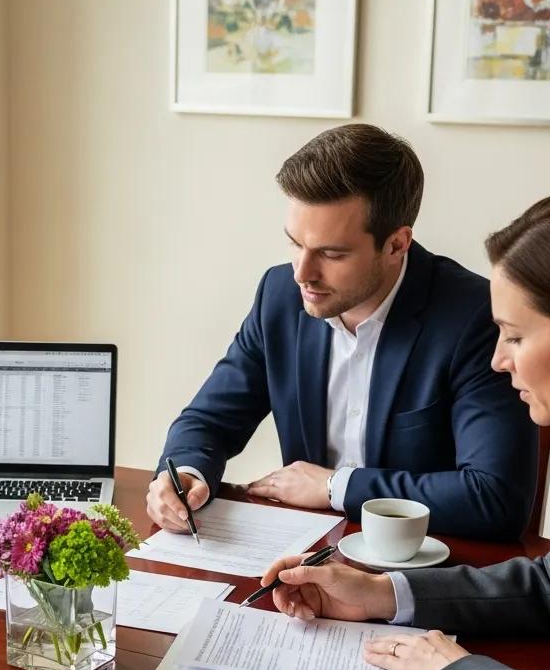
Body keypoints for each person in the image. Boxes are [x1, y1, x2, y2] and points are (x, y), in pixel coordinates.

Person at [259, 195, 550, 670]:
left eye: (516, 336)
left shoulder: (455, 314)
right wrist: (388, 595)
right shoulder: (280, 300)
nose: (500, 359)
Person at [147, 124, 537, 541]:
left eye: (331, 254)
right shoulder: (279, 296)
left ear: (396, 244)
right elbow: (209, 420)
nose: (302, 273)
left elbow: (494, 498)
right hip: (304, 557)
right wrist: (184, 471)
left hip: (429, 573)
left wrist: (336, 487)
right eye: (296, 243)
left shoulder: (475, 316)